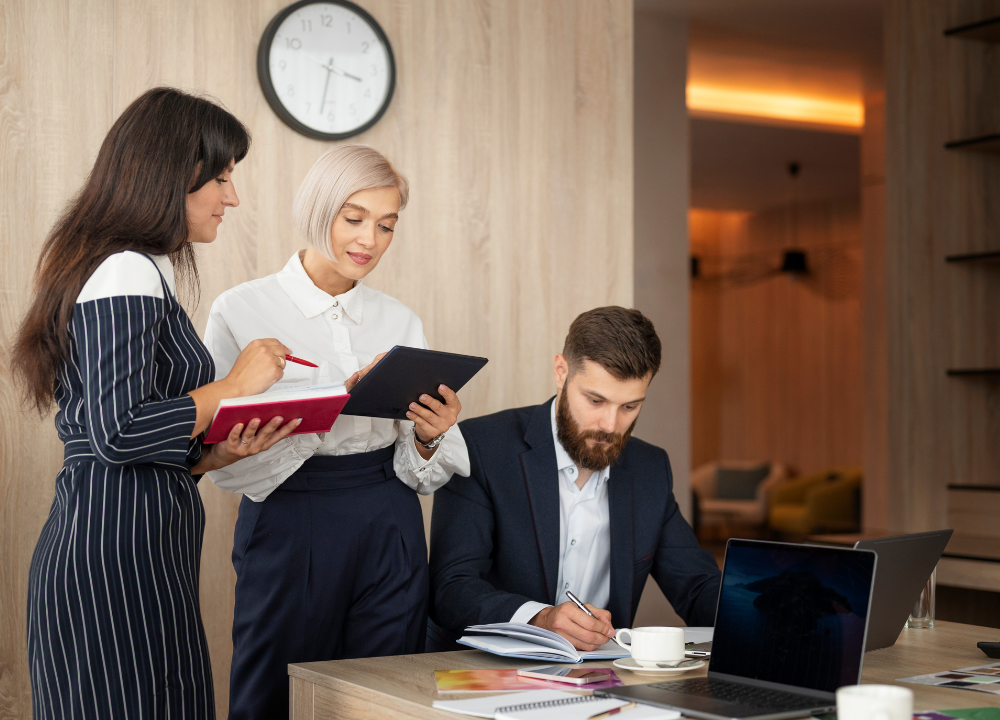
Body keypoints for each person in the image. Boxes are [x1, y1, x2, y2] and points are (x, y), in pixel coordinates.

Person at [14, 87, 301, 720]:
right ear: (172, 174)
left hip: (137, 549)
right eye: (221, 178)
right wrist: (233, 386)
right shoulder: (126, 269)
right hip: (111, 559)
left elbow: (122, 435)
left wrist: (211, 457)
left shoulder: (142, 268)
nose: (232, 197)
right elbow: (116, 431)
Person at [202, 145, 470, 720]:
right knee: (274, 694)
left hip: (390, 520)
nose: (369, 240)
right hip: (288, 517)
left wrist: (430, 435)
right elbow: (220, 458)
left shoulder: (400, 319)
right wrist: (326, 409)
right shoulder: (241, 309)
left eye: (386, 226)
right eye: (354, 219)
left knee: (386, 695)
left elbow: (420, 465)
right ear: (318, 210)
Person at [428, 306, 722, 652]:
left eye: (629, 407)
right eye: (595, 400)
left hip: (604, 672)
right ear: (561, 371)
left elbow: (697, 585)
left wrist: (761, 614)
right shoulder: (481, 447)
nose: (610, 425)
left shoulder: (650, 468)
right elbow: (451, 589)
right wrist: (540, 618)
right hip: (486, 668)